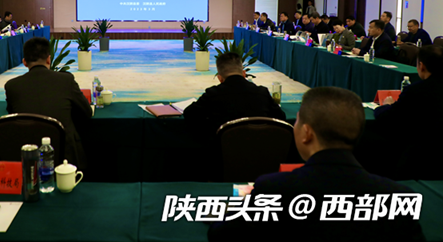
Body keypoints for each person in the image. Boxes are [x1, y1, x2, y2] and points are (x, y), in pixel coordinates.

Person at [208, 87, 425, 242]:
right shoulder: (398, 197)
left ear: (307, 133)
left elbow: (221, 235)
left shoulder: (273, 189)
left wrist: (238, 208)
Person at [4, 37, 92, 168]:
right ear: (48, 59)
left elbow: (12, 113)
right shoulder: (66, 80)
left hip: (28, 158)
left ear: (24, 62)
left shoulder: (12, 86)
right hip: (66, 159)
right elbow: (87, 112)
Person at [374, 45, 443, 179]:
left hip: (421, 159)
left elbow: (389, 117)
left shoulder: (416, 91)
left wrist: (384, 106)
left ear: (421, 66)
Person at [184, 52, 285, 141]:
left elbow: (189, 113)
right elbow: (281, 117)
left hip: (224, 152)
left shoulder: (212, 94)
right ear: (244, 74)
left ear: (220, 78)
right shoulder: (262, 92)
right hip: (261, 150)